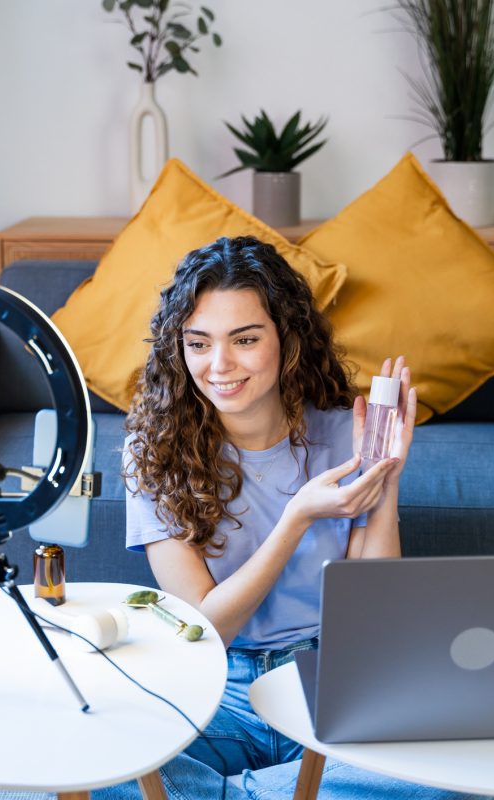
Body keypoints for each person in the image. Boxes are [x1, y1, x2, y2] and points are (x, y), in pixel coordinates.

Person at [123, 235, 416, 780]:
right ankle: (292, 792)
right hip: (218, 691)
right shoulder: (155, 451)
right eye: (199, 343)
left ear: (288, 339)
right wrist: (297, 516)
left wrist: (386, 476)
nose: (219, 365)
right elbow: (204, 627)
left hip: (327, 685)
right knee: (107, 770)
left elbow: (377, 616)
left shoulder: (341, 433)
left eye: (245, 339)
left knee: (438, 774)